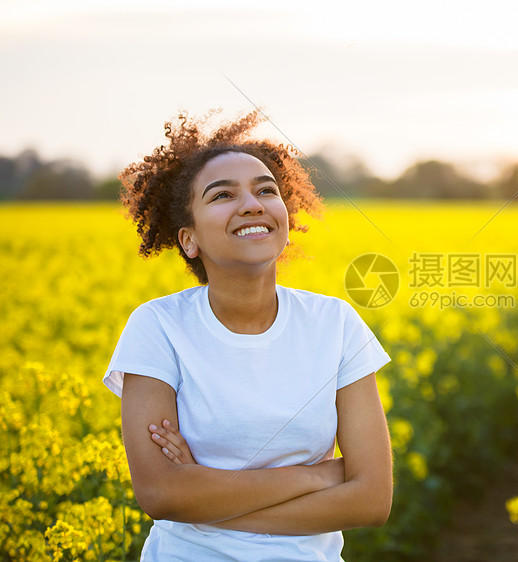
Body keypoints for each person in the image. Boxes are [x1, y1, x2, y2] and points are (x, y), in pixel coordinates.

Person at [103, 108, 393, 561]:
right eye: (222, 195)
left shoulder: (335, 324)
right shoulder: (158, 327)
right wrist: (315, 476)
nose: (253, 204)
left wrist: (204, 498)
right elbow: (161, 493)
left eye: (266, 191)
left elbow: (372, 499)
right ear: (189, 239)